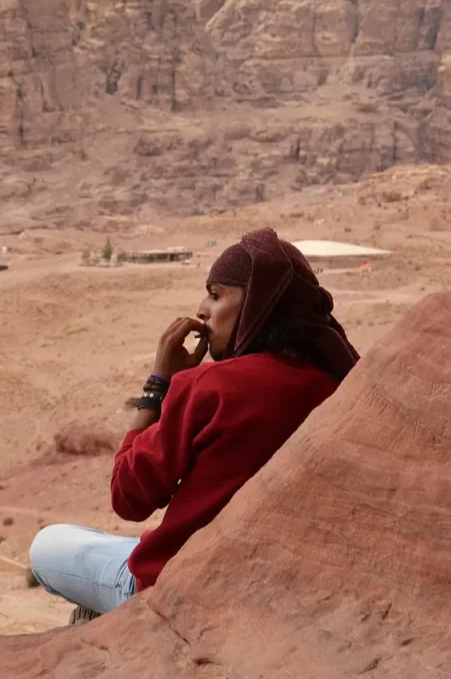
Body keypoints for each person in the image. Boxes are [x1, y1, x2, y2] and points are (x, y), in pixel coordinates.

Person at [29, 228, 359, 624]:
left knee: (47, 547)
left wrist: (159, 385)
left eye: (216, 294)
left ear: (258, 304)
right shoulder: (335, 385)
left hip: (179, 585)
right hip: (279, 587)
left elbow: (128, 497)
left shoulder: (208, 386)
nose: (203, 309)